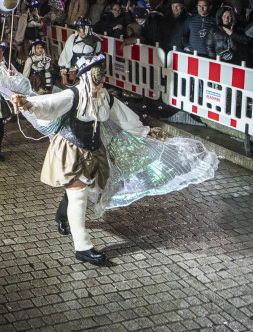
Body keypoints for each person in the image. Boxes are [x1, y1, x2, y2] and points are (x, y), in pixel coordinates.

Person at [13, 56, 157, 265]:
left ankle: (62, 216)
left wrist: (145, 131)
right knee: (78, 194)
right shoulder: (74, 94)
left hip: (93, 150)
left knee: (81, 190)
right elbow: (49, 104)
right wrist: (28, 103)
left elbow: (122, 117)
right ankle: (82, 247)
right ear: (87, 76)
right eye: (96, 77)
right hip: (71, 149)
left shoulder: (104, 97)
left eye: (101, 77)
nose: (100, 82)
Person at [58, 18, 101, 85]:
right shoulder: (73, 38)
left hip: (88, 73)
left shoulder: (95, 40)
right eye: (80, 28)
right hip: (73, 72)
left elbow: (99, 57)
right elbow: (66, 53)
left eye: (85, 28)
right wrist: (63, 69)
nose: (82, 31)